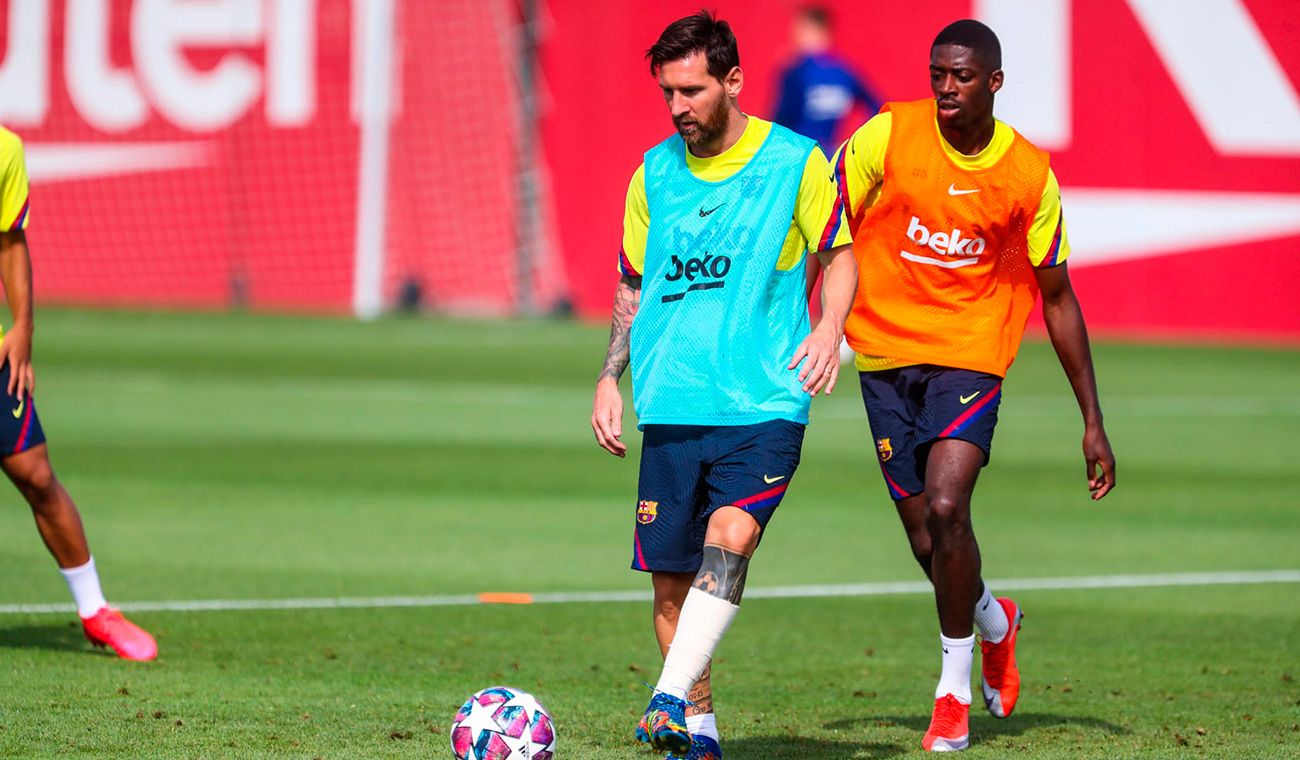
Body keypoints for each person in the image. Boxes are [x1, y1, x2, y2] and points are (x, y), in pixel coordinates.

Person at [830, 19, 1115, 752]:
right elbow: (828, 224)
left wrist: (1092, 418)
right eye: (936, 75)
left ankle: (951, 694)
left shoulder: (1026, 174)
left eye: (960, 76)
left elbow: (1056, 297)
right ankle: (996, 621)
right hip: (886, 352)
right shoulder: (885, 137)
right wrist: (819, 325)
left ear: (993, 82)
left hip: (971, 352)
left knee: (951, 506)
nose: (945, 88)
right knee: (928, 538)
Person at [590, 11, 856, 759]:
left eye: (693, 90)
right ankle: (697, 731)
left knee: (729, 540)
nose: (678, 107)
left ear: (733, 80)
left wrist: (830, 327)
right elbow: (632, 283)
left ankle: (665, 698)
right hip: (671, 403)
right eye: (668, 92)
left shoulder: (795, 162)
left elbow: (840, 253)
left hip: (764, 398)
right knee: (670, 591)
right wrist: (611, 376)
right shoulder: (653, 172)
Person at [0, 126, 157, 662]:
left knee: (36, 473)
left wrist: (23, 330)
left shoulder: (5, 149)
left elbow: (11, 241)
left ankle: (95, 611)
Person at [772, 5, 881, 157]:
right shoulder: (845, 72)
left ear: (811, 30)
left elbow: (780, 120)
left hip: (798, 158)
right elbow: (877, 108)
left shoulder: (797, 71)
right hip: (829, 157)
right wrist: (859, 145)